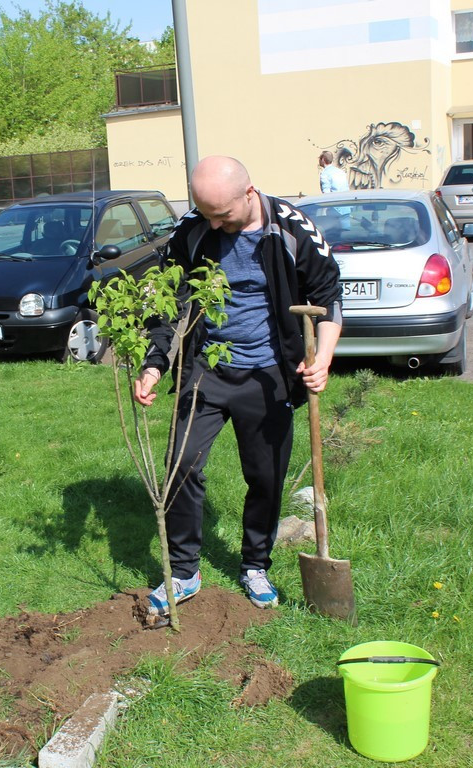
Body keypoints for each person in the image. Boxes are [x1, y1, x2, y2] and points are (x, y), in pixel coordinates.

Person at [133, 155, 343, 615]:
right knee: (181, 465)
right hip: (206, 369)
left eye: (222, 215)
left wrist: (322, 359)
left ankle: (254, 565)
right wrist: (154, 364)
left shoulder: (292, 229)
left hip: (270, 374)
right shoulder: (194, 230)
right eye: (206, 214)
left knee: (266, 477)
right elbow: (166, 300)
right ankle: (184, 571)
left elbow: (328, 298)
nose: (215, 224)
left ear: (249, 194)